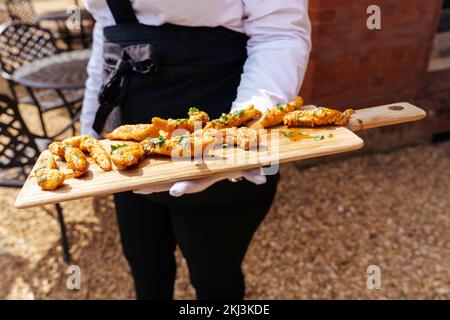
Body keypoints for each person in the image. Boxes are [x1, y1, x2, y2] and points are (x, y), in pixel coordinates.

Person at [81, 0, 311, 300]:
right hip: (128, 140)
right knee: (145, 264)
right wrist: (89, 128)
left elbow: (279, 33)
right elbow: (106, 28)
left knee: (214, 276)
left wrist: (237, 139)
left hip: (219, 114)